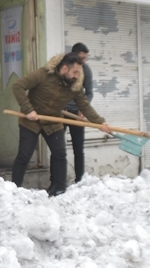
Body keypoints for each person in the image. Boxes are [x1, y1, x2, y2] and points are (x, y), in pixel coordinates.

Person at [12, 52, 112, 196]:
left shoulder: (74, 86)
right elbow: (18, 86)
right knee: (24, 154)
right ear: (64, 69)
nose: (77, 76)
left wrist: (100, 122)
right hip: (31, 120)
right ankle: (13, 189)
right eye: (75, 72)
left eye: (79, 73)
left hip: (53, 121)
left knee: (59, 154)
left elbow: (84, 106)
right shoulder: (43, 75)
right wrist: (28, 110)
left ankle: (58, 188)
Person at [65, 43, 94, 184]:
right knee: (58, 150)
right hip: (61, 112)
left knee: (78, 149)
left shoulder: (86, 70)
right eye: (82, 58)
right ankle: (58, 182)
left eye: (86, 58)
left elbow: (89, 93)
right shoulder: (64, 68)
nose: (84, 61)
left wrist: (83, 108)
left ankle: (80, 181)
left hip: (77, 114)